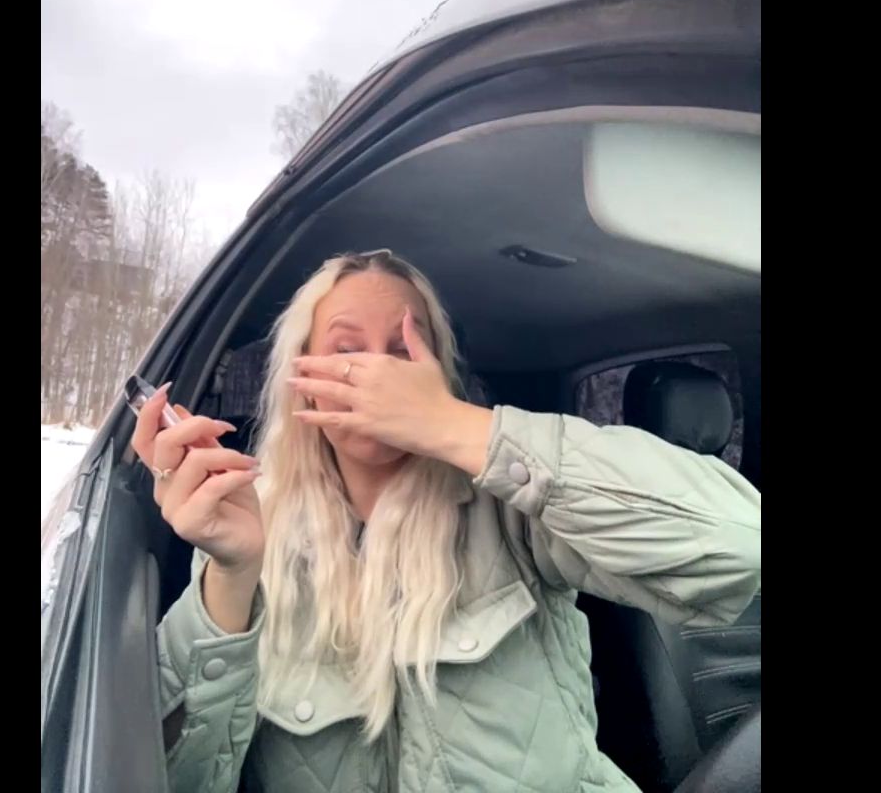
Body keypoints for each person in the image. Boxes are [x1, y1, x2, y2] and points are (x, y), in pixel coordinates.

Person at [132, 250, 761, 793]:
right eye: (346, 350)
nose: (377, 373)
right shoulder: (250, 522)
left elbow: (739, 546)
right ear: (302, 378)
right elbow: (174, 774)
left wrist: (453, 425)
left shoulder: (511, 503)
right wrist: (233, 572)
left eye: (403, 352)